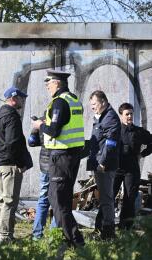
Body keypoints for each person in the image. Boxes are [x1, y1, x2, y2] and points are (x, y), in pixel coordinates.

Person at [32, 69, 85, 247]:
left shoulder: (59, 103)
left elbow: (54, 131)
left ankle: (76, 241)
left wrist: (40, 125)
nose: (47, 86)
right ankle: (69, 239)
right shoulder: (74, 100)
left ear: (58, 83)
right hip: (72, 156)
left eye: (49, 82)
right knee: (64, 199)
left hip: (61, 157)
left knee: (57, 200)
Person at [0, 87, 32, 243]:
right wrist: (21, 163)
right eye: (21, 98)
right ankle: (5, 237)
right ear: (13, 98)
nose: (23, 100)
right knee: (9, 201)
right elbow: (12, 143)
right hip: (9, 164)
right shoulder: (12, 116)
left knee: (2, 200)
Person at [87, 90, 121, 240]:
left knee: (107, 199)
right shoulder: (102, 117)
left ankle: (108, 233)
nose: (92, 107)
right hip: (99, 163)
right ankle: (102, 228)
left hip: (104, 166)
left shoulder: (110, 118)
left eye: (94, 104)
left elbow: (110, 144)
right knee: (105, 198)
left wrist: (102, 162)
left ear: (103, 102)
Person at [114, 103, 152, 230]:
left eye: (131, 114)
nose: (130, 116)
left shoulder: (138, 131)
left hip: (131, 169)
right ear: (121, 115)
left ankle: (125, 227)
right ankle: (104, 225)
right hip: (116, 168)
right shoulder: (115, 130)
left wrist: (142, 154)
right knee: (109, 196)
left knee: (129, 198)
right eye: (127, 114)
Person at [28, 114, 57, 240]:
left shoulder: (42, 122)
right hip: (57, 165)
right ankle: (54, 235)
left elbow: (32, 142)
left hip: (44, 166)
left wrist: (35, 128)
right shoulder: (58, 121)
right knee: (58, 200)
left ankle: (37, 234)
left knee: (43, 199)